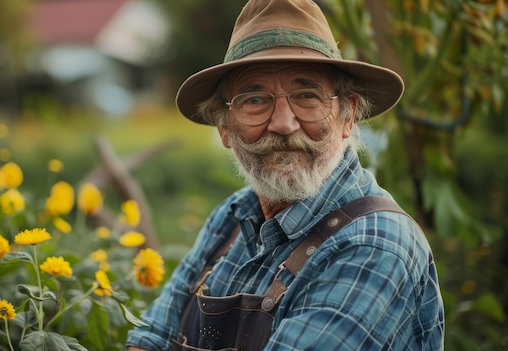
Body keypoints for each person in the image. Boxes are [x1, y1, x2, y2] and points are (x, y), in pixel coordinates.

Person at [126, 0, 445, 350]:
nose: (282, 123)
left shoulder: (374, 243)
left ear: (347, 116)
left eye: (307, 96)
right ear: (223, 126)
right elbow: (150, 337)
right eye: (255, 100)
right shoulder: (233, 217)